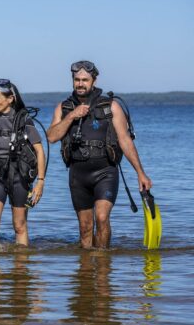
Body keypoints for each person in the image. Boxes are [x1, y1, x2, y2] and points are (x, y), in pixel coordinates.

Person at [46, 61, 152, 249]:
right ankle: (86, 273)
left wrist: (140, 173)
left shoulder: (111, 106)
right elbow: (51, 137)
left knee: (102, 218)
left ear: (94, 80)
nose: (80, 83)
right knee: (86, 227)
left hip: (105, 172)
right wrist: (72, 116)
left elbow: (125, 141)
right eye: (77, 80)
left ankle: (103, 268)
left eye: (85, 80)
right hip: (78, 174)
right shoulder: (64, 108)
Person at [0, 79, 46, 249]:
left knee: (19, 225)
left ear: (10, 99)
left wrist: (40, 181)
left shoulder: (24, 120)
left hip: (20, 177)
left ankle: (21, 270)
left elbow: (40, 151)